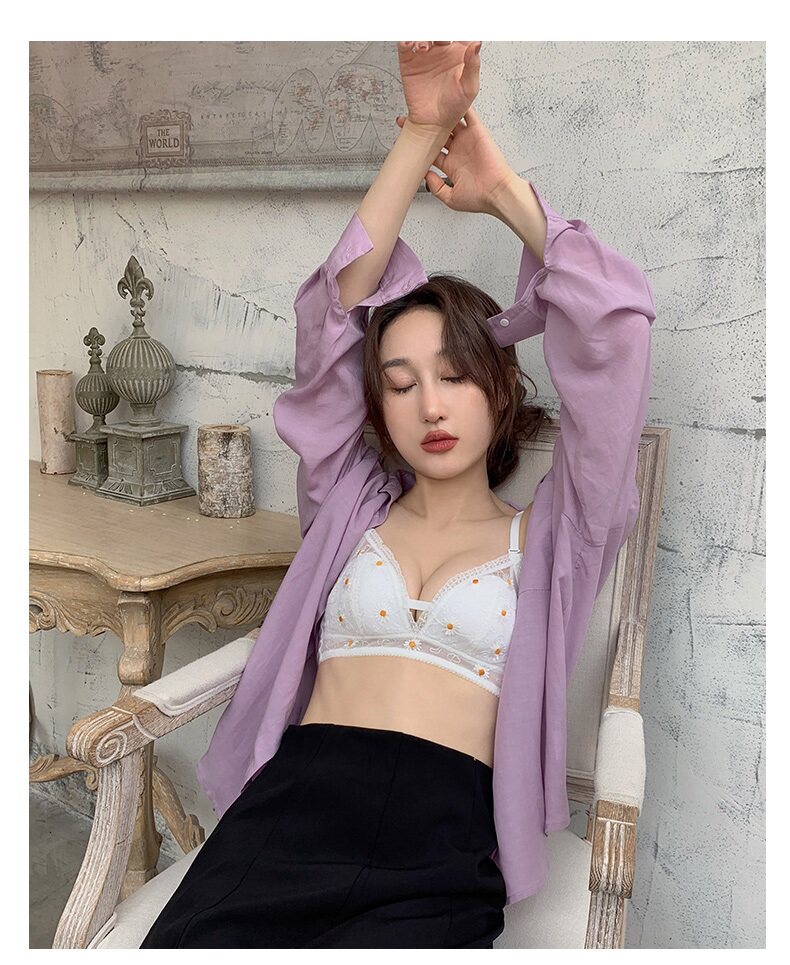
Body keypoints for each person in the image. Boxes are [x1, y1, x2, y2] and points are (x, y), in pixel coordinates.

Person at [141, 40, 655, 949]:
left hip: (441, 842)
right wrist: (420, 133)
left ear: (500, 388)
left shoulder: (558, 537)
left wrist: (504, 193)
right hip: (291, 812)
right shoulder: (346, 502)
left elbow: (615, 333)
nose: (431, 405)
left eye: (455, 374)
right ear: (375, 403)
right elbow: (332, 318)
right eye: (401, 381)